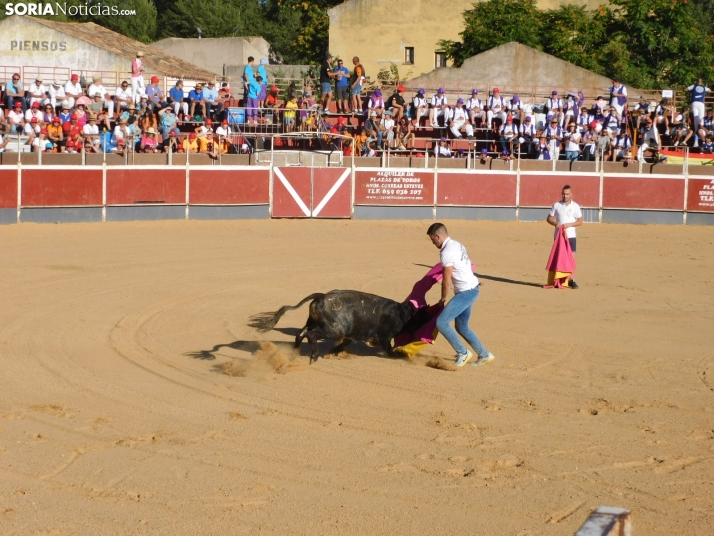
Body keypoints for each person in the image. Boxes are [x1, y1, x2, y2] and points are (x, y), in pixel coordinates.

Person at [426, 223, 495, 367]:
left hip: (465, 292)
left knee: (442, 323)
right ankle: (484, 354)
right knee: (462, 326)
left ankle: (463, 353)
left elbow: (446, 281)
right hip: (472, 288)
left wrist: (442, 299)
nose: (433, 243)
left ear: (438, 236)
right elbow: (468, 264)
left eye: (433, 239)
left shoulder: (446, 252)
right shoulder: (457, 244)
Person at [546, 185, 582, 289]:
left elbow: (580, 221)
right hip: (559, 236)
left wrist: (568, 225)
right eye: (563, 194)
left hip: (571, 236)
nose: (565, 196)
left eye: (567, 194)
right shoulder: (557, 205)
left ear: (571, 194)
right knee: (559, 258)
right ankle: (558, 279)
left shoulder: (575, 206)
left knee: (571, 259)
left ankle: (570, 280)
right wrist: (555, 223)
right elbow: (549, 218)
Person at [686, 78, 712, 146]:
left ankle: (696, 137)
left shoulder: (693, 86)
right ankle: (698, 136)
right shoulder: (704, 87)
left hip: (694, 102)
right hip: (701, 103)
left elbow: (686, 89)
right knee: (701, 119)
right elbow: (710, 90)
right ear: (701, 82)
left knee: (696, 119)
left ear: (697, 82)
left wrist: (692, 91)